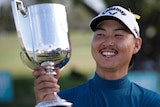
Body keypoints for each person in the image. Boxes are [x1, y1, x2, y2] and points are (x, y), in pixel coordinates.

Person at [32, 5, 160, 107]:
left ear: (136, 45)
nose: (108, 42)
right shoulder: (63, 101)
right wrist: (45, 103)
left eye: (118, 35)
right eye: (100, 34)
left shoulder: (152, 102)